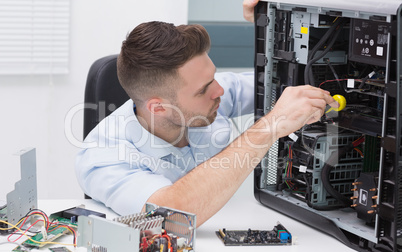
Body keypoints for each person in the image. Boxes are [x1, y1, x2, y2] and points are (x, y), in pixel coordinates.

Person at [76, 0, 338, 226]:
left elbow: (279, 85)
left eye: (214, 76)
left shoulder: (208, 95)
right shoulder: (103, 157)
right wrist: (269, 128)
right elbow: (173, 215)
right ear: (158, 107)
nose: (220, 90)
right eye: (204, 89)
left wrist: (266, 24)